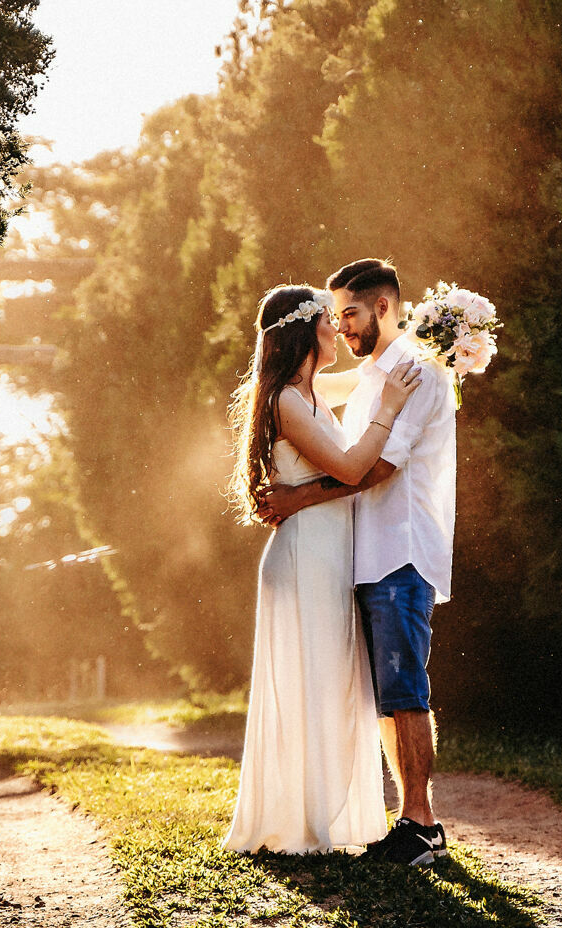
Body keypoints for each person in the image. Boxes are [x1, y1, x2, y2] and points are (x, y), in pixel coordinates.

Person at [257, 258, 456, 867]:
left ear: (383, 308)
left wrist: (297, 499)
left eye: (349, 314)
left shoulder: (418, 373)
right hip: (361, 555)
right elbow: (304, 405)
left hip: (400, 549)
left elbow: (378, 468)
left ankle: (420, 822)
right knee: (384, 696)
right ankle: (410, 820)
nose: (341, 326)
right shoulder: (370, 376)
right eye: (333, 316)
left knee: (404, 688)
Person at [223, 283, 421, 854]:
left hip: (329, 554)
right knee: (312, 683)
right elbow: (353, 469)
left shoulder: (310, 392)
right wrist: (389, 409)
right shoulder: (285, 400)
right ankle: (303, 823)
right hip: (305, 556)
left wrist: (432, 338)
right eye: (329, 321)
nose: (339, 329)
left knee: (333, 683)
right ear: (307, 330)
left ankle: (326, 815)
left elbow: (371, 373)